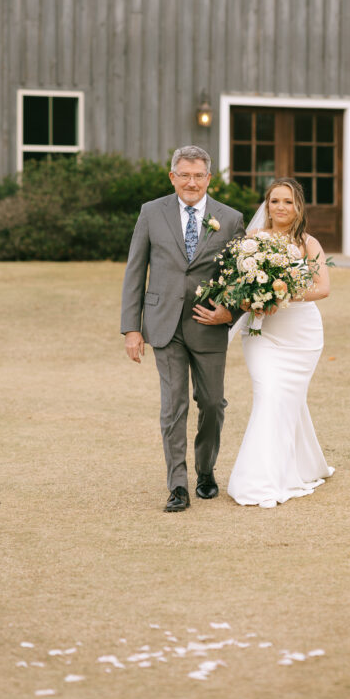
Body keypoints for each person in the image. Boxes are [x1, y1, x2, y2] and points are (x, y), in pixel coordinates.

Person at [121, 146, 245, 512]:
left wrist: (230, 312)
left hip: (208, 323)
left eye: (198, 176)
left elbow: (241, 275)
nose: (191, 182)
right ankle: (177, 484)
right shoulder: (150, 212)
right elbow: (135, 269)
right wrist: (132, 328)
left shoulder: (231, 218)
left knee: (211, 403)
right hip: (163, 324)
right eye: (184, 175)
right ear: (172, 176)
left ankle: (206, 470)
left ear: (209, 178)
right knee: (172, 406)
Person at [227, 178, 334, 508]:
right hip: (262, 334)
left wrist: (283, 293)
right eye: (275, 201)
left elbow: (323, 287)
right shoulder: (252, 241)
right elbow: (236, 285)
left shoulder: (308, 244)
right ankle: (257, 480)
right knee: (270, 396)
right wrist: (253, 299)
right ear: (267, 205)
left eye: (288, 201)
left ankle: (302, 465)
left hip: (302, 337)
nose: (281, 207)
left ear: (298, 206)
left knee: (288, 401)